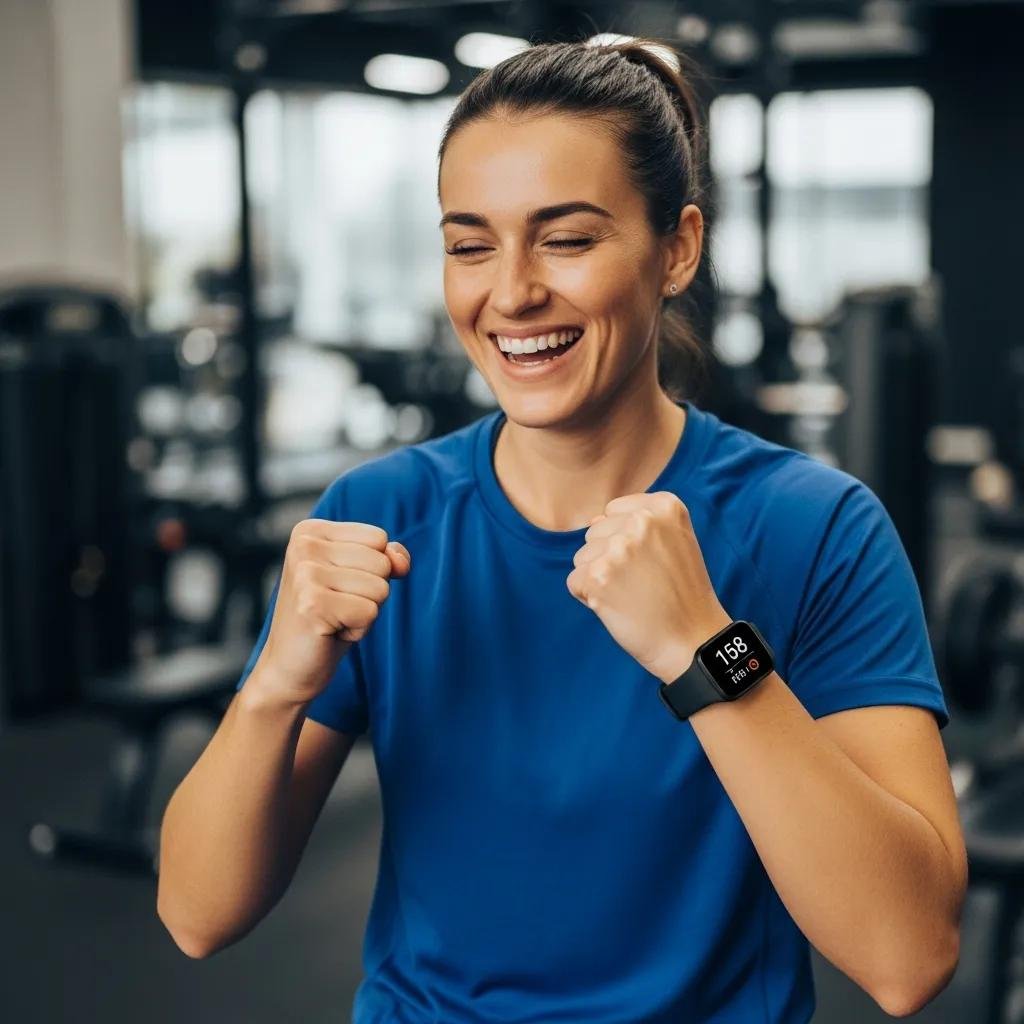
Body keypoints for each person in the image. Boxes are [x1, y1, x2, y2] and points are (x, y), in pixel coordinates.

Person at [156, 37, 967, 1024]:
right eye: (469, 243)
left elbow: (908, 954)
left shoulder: (816, 527)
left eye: (567, 239)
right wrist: (275, 687)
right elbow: (196, 915)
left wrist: (703, 652)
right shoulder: (379, 517)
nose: (511, 292)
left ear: (677, 249)